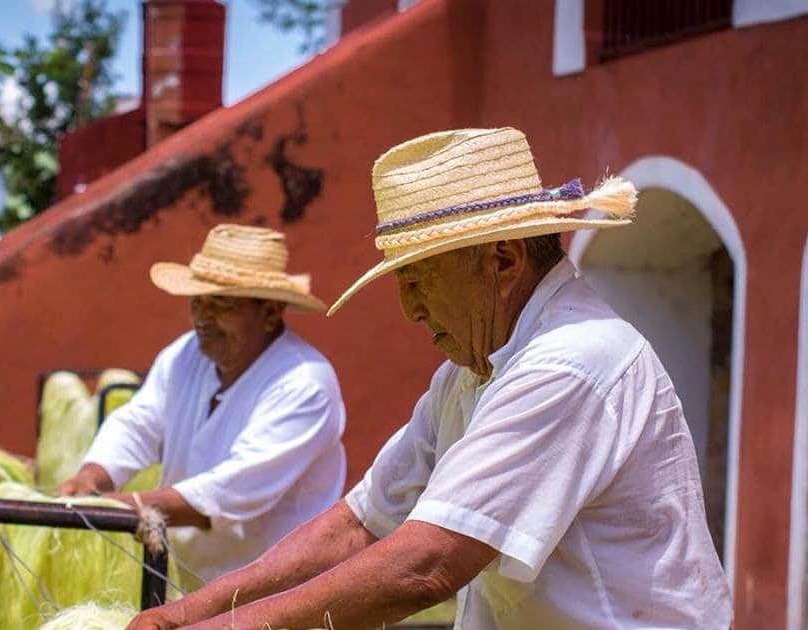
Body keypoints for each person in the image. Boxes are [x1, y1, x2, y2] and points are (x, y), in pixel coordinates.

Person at [125, 128, 732, 629]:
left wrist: (224, 627)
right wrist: (187, 613)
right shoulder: (468, 374)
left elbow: (428, 565)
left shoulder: (568, 362)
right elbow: (361, 522)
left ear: (502, 261)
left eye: (420, 282)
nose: (410, 310)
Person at [59, 223, 346, 584]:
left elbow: (232, 490)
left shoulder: (304, 384)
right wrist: (93, 477)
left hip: (278, 590)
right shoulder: (185, 355)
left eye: (221, 304)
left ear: (270, 312)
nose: (202, 318)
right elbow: (139, 423)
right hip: (191, 582)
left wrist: (113, 508)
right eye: (197, 302)